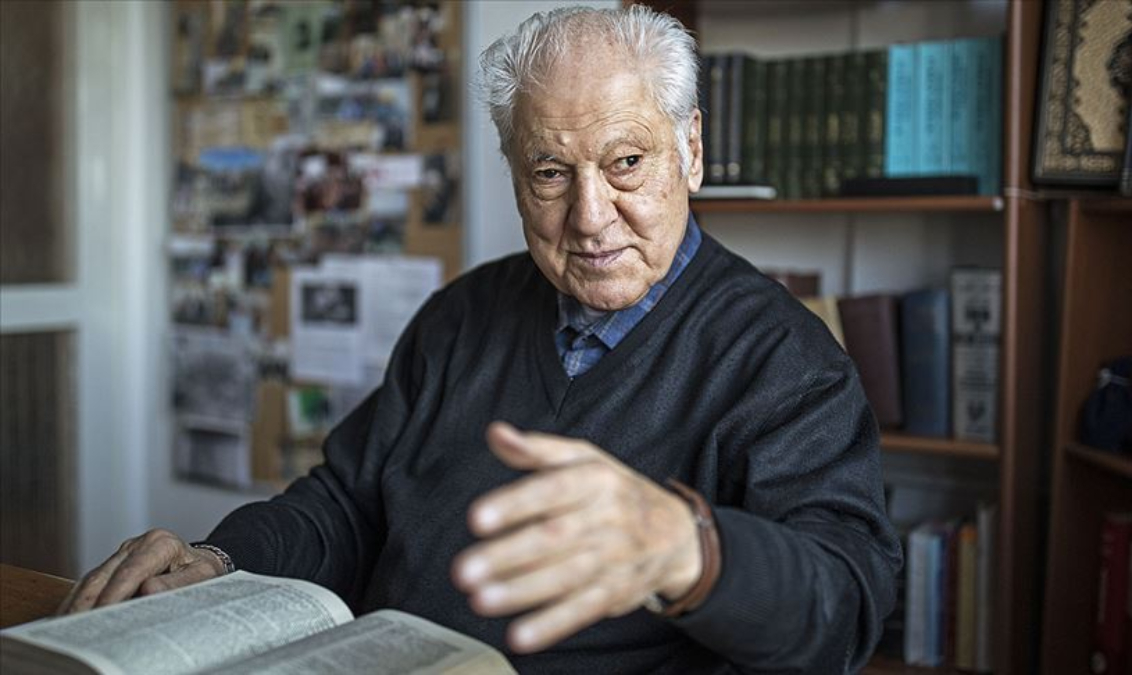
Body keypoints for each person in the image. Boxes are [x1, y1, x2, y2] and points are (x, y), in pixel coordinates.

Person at [62, 6, 901, 673]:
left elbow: (846, 603)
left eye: (626, 163)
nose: (590, 216)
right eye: (550, 173)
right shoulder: (461, 314)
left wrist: (687, 549)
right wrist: (219, 558)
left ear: (692, 152)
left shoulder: (787, 360)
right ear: (514, 174)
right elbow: (346, 502)